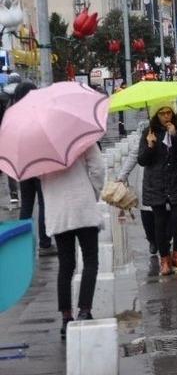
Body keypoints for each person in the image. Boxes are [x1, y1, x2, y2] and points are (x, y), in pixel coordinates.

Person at [41, 143, 104, 339]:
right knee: (91, 260)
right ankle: (85, 310)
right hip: (82, 205)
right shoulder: (81, 137)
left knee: (66, 265)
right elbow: (98, 167)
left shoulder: (39, 146)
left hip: (59, 210)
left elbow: (39, 177)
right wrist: (93, 192)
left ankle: (66, 318)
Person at [138, 103, 177, 276]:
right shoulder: (148, 132)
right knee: (159, 222)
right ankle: (164, 258)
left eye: (169, 113)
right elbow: (142, 160)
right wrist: (150, 146)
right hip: (156, 183)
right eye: (162, 113)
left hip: (176, 181)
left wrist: (175, 135)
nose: (166, 116)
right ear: (156, 115)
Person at [11, 82, 54, 255]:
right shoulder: (38, 113)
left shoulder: (13, 115)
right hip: (39, 164)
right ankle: (45, 243)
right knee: (44, 203)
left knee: (26, 205)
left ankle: (23, 245)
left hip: (23, 165)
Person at [118, 119, 158, 257]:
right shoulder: (144, 134)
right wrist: (122, 176)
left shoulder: (170, 132)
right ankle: (152, 239)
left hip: (165, 179)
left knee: (165, 212)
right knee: (147, 212)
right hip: (146, 179)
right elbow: (134, 155)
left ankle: (165, 239)